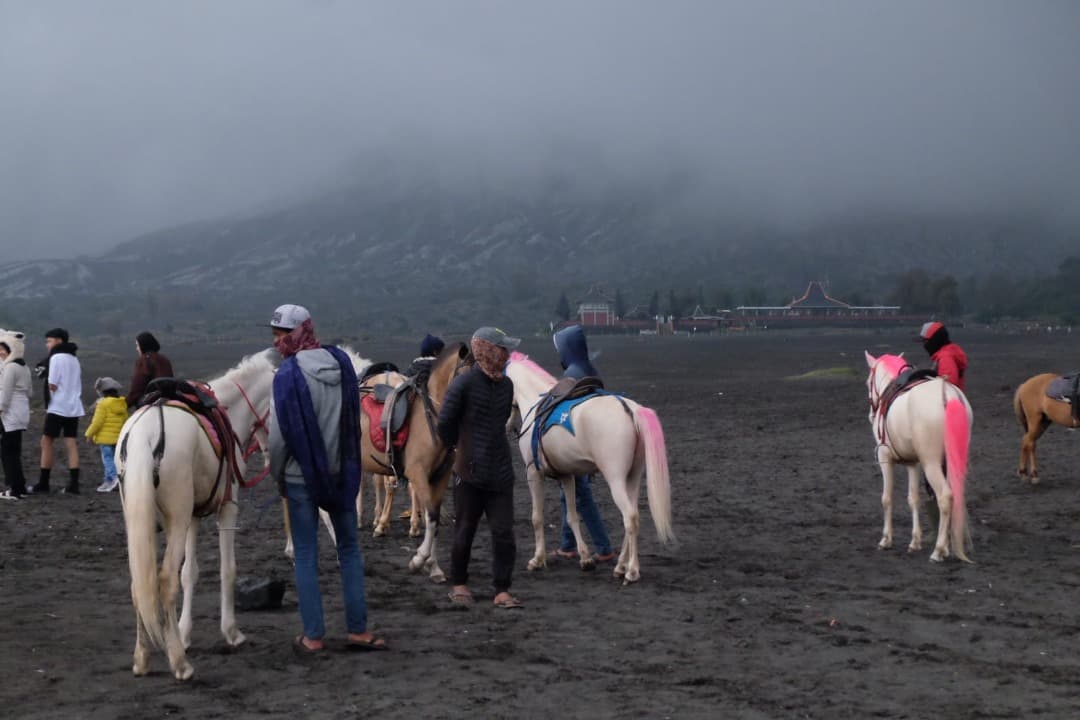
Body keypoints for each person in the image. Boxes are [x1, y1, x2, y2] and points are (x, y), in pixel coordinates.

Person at [267, 303, 386, 654]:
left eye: (281, 334)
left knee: (306, 554)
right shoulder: (341, 364)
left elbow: (278, 438)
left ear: (296, 333)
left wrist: (278, 475)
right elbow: (353, 419)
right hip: (342, 474)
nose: (277, 342)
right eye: (275, 335)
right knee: (348, 549)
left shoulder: (286, 375)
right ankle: (358, 631)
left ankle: (314, 636)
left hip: (300, 477)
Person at [439, 326, 523, 609]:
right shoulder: (463, 384)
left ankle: (502, 589)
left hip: (500, 471)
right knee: (464, 529)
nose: (507, 354)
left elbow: (499, 425)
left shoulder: (507, 385)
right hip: (468, 471)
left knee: (503, 533)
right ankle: (459, 584)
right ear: (487, 350)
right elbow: (445, 423)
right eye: (503, 348)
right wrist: (457, 448)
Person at [549, 325, 616, 563]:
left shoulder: (572, 375)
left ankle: (604, 547)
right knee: (569, 494)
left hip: (575, 444)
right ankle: (568, 545)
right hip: (590, 442)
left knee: (580, 496)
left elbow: (557, 404)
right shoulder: (588, 369)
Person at [28, 328, 84, 495]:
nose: (47, 345)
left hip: (57, 407)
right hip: (74, 407)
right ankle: (74, 484)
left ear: (59, 341)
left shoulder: (56, 358)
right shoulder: (74, 358)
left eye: (49, 341)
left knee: (46, 442)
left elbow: (52, 383)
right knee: (71, 443)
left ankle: (43, 482)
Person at [0, 332, 32, 500]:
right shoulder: (24, 367)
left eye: (3, 348)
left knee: (8, 453)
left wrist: (1, 409)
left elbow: (5, 394)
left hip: (10, 414)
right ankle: (20, 487)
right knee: (14, 452)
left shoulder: (10, 368)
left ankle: (14, 490)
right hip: (22, 412)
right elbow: (30, 391)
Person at [84, 377, 128, 493]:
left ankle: (112, 479)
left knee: (108, 460)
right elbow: (125, 420)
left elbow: (97, 422)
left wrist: (89, 434)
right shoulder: (122, 404)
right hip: (118, 438)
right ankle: (112, 480)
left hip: (105, 439)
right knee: (116, 459)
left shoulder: (102, 404)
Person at [127, 331, 175, 408]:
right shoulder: (165, 359)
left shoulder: (143, 360)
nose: (137, 349)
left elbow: (138, 385)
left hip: (151, 401)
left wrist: (126, 403)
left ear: (143, 345)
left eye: (137, 345)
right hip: (170, 398)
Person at [919, 322, 968, 392]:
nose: (924, 345)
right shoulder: (945, 354)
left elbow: (948, 387)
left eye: (925, 341)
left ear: (935, 341)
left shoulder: (945, 358)